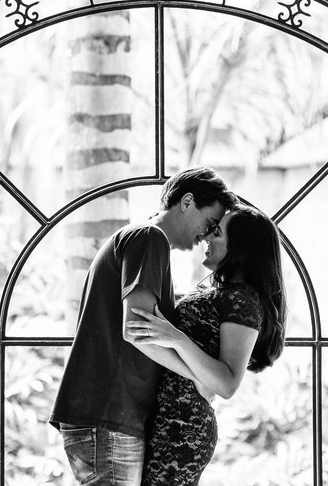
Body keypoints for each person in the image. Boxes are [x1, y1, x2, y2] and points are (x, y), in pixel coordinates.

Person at [50, 167, 236, 485]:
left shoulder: (144, 242)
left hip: (108, 418)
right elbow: (137, 331)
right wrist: (200, 379)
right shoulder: (149, 239)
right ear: (187, 201)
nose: (206, 235)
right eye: (208, 223)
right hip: (108, 416)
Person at [126, 204, 287, 485]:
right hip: (166, 421)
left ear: (241, 247)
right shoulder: (223, 293)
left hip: (183, 429)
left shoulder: (243, 300)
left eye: (218, 232)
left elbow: (227, 384)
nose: (207, 238)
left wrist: (176, 337)